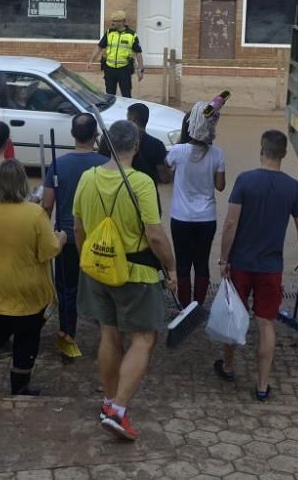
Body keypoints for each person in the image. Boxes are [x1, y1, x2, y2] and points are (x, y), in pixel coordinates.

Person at [74, 120, 177, 441]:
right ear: (136, 146)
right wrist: (171, 269)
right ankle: (118, 410)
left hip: (97, 270)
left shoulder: (87, 178)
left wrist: (87, 261)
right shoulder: (142, 183)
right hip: (136, 274)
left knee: (109, 333)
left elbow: (78, 227)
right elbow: (155, 236)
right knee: (144, 339)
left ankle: (107, 401)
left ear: (105, 145)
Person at [214, 130, 298, 402]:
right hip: (271, 267)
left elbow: (230, 224)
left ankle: (229, 367)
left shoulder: (245, 180)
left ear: (261, 149)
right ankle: (262, 386)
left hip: (241, 264)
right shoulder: (292, 187)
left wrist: (223, 259)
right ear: (284, 154)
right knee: (266, 322)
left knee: (235, 317)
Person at [0, 160, 67, 396]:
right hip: (27, 292)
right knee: (27, 336)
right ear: (22, 183)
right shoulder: (35, 213)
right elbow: (48, 251)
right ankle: (20, 386)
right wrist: (61, 238)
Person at [40, 113, 108, 356]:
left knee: (67, 289)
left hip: (66, 238)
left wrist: (45, 236)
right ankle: (108, 338)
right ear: (95, 135)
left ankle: (68, 334)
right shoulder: (104, 164)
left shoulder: (59, 165)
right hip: (98, 240)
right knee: (101, 289)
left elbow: (46, 205)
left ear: (72, 134)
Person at [167, 102, 226, 308]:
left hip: (180, 217)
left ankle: (184, 306)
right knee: (201, 263)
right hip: (206, 218)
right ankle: (198, 304)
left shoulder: (178, 151)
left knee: (182, 263)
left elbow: (165, 175)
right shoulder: (217, 154)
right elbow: (220, 186)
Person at [87, 10, 144, 98]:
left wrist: (140, 70)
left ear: (123, 21)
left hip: (124, 70)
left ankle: (128, 111)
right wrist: (90, 61)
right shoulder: (109, 33)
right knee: (109, 95)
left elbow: (138, 53)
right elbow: (99, 47)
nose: (113, 23)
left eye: (116, 21)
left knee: (126, 95)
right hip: (109, 69)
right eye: (113, 21)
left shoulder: (132, 35)